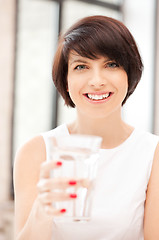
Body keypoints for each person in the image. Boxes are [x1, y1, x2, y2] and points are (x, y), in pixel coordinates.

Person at [13, 15, 159, 240]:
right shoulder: (36, 151)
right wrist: (41, 212)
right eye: (81, 66)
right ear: (66, 80)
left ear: (129, 74)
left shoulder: (152, 152)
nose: (96, 80)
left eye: (111, 64)